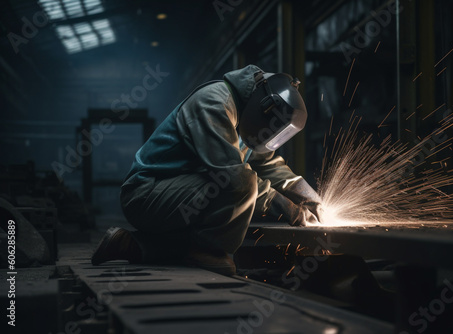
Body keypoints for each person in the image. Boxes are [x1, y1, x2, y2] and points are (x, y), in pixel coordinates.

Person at [91, 65, 323, 276]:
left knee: (240, 202)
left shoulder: (247, 120)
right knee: (242, 184)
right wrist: (288, 208)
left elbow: (268, 165)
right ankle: (209, 250)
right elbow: (232, 173)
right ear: (264, 106)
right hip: (146, 194)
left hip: (179, 193)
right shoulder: (214, 103)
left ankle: (129, 244)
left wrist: (307, 195)